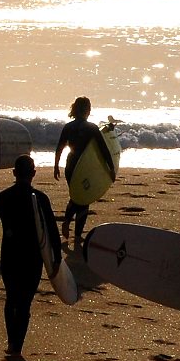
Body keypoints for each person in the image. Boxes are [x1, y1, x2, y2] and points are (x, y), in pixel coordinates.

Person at [0, 155, 62, 361]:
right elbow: (52, 232)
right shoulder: (40, 198)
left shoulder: (3, 197)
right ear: (33, 173)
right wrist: (57, 260)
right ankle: (16, 350)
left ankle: (11, 343)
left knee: (11, 298)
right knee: (24, 303)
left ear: (14, 173)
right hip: (33, 257)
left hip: (10, 256)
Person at [54, 96, 101, 249]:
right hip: (86, 167)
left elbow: (60, 147)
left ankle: (68, 221)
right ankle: (77, 234)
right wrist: (111, 169)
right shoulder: (92, 128)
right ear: (88, 110)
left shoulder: (68, 127)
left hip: (71, 165)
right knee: (84, 200)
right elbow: (104, 151)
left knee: (75, 195)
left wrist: (55, 166)